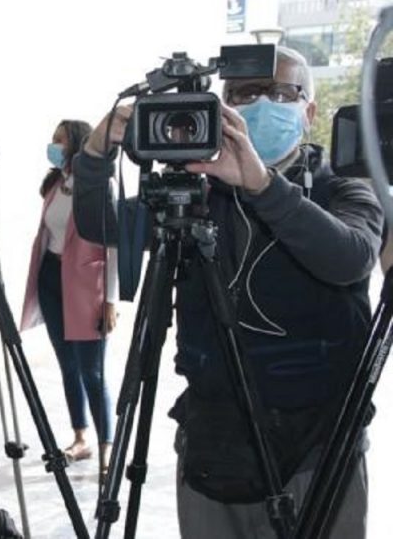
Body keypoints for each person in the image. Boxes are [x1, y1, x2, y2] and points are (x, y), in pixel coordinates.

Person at [74, 46, 381, 538]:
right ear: (223, 108)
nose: (263, 104)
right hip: (215, 436)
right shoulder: (193, 194)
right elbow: (99, 224)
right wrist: (93, 156)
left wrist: (262, 185)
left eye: (282, 92)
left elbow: (348, 258)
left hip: (320, 442)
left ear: (309, 111)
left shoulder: (344, 189)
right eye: (245, 93)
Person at [20, 118, 116, 478]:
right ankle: (81, 438)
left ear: (77, 144)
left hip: (86, 285)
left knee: (93, 371)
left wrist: (110, 299)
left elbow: (113, 244)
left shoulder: (98, 185)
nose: (53, 144)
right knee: (69, 366)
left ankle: (108, 447)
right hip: (51, 277)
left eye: (60, 139)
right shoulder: (56, 183)